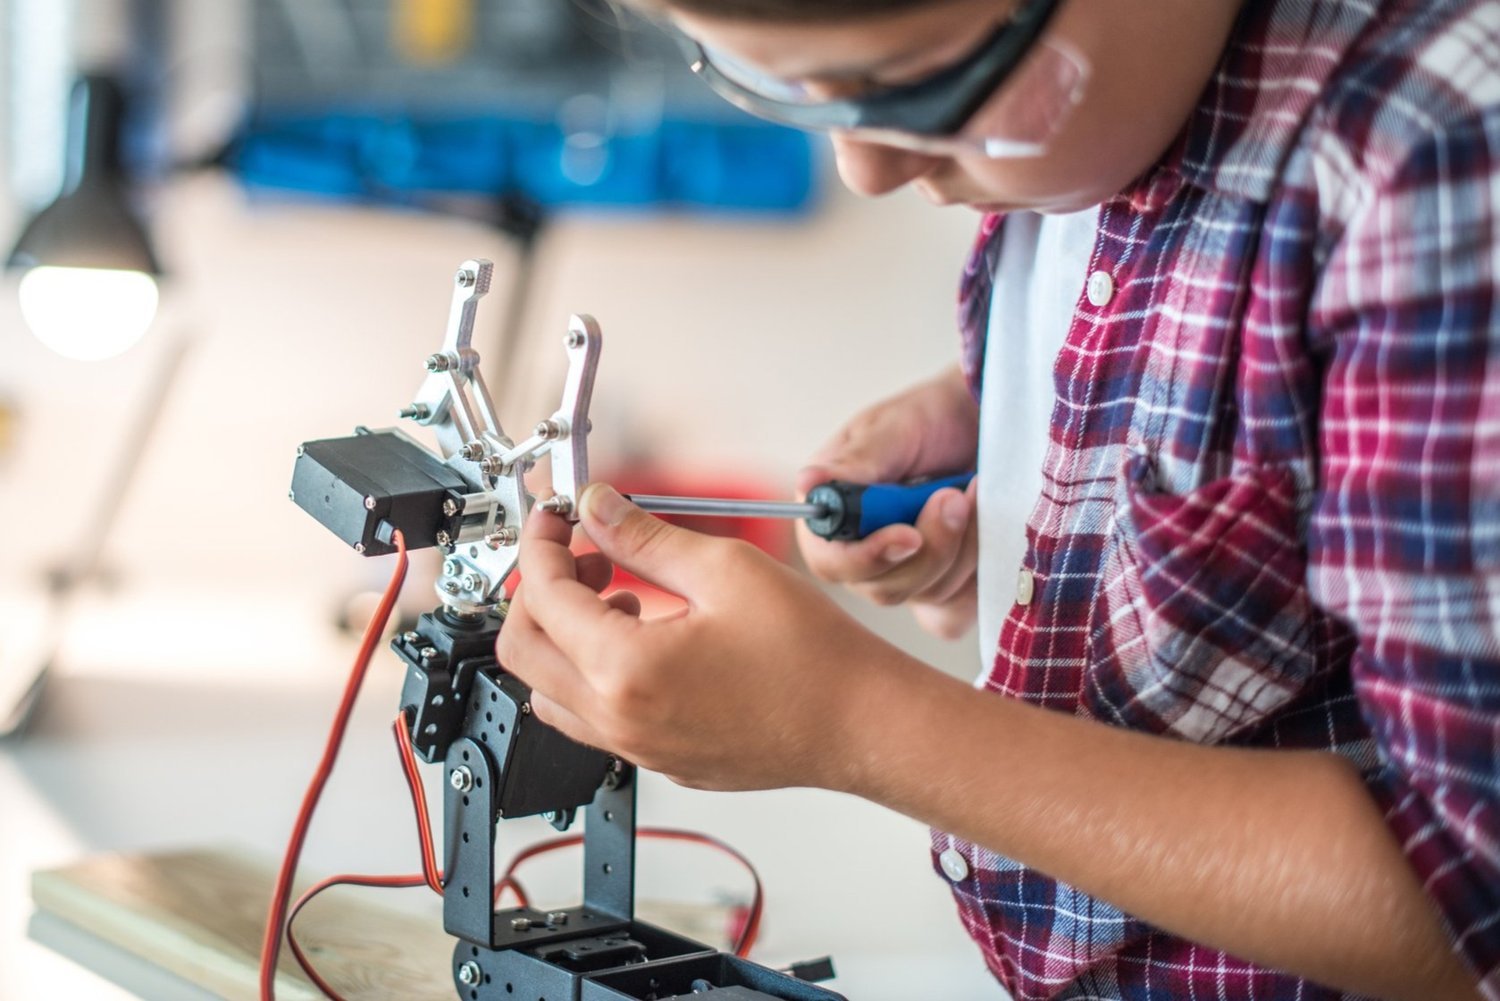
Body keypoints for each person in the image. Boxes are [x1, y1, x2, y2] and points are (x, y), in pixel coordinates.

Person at [496, 0, 1500, 997]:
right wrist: (1018, 442)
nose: (869, 169)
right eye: (794, 87)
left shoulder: (1441, 144)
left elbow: (1462, 899)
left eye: (918, 84)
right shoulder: (1087, 108)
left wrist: (853, 720)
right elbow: (1282, 363)